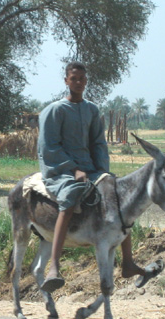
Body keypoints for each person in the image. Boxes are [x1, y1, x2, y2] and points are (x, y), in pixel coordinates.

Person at [37, 62, 146, 293]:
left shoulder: (92, 110)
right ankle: (54, 267)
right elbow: (50, 146)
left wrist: (103, 171)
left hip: (92, 169)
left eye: (82, 79)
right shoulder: (55, 111)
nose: (78, 82)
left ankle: (128, 262)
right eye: (74, 78)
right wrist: (73, 169)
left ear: (86, 81)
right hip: (61, 171)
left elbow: (98, 143)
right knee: (69, 199)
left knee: (119, 199)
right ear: (66, 80)